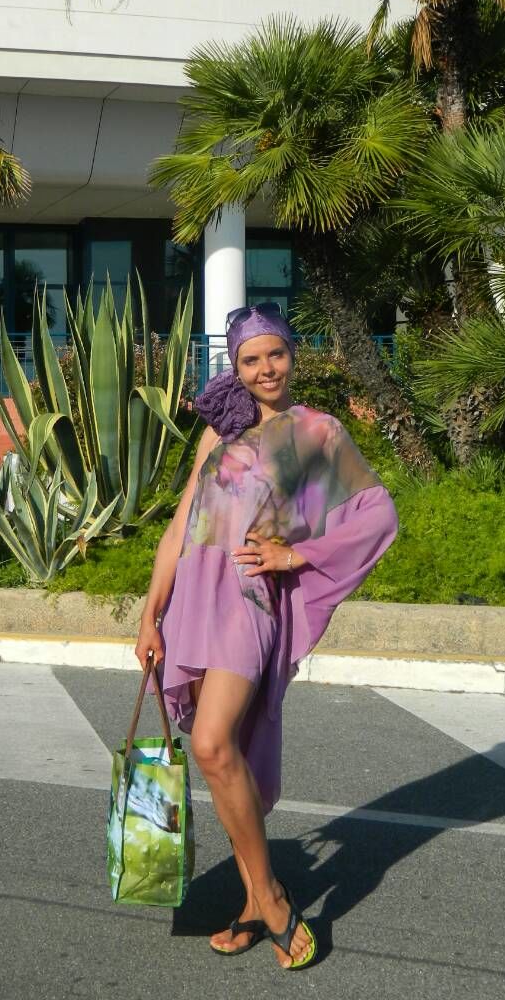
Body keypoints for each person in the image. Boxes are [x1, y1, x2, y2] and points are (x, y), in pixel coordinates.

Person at [135, 302, 398, 969]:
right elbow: (180, 528)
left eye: (275, 354)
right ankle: (256, 901)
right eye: (251, 360)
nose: (266, 369)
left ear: (292, 354)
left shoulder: (318, 432)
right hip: (194, 600)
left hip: (249, 600)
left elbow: (377, 514)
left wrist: (294, 554)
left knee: (210, 742)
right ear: (237, 366)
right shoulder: (218, 431)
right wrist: (150, 613)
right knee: (225, 758)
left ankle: (272, 897)